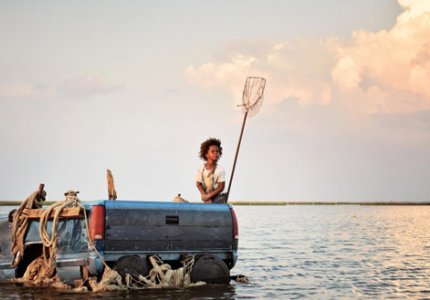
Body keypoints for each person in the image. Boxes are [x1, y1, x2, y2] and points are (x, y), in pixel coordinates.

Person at [195, 138, 226, 204]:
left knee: (217, 201)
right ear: (206, 155)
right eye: (212, 151)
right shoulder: (200, 169)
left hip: (217, 196)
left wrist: (209, 196)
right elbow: (198, 184)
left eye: (217, 151)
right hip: (206, 195)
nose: (216, 153)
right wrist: (204, 195)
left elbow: (221, 187)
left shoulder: (220, 170)